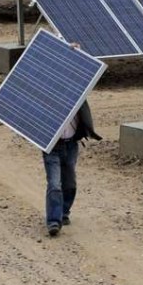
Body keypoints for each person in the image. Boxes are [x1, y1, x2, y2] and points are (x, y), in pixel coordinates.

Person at [43, 100, 101, 237]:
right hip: (51, 147)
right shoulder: (46, 99)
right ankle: (53, 221)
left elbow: (85, 114)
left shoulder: (77, 95)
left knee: (70, 184)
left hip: (71, 146)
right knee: (55, 184)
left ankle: (63, 213)